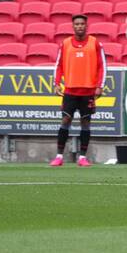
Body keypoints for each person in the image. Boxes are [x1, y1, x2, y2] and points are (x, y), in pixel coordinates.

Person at [51, 13, 106, 166]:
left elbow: (102, 66)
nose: (79, 26)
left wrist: (99, 86)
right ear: (73, 26)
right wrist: (56, 83)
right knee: (65, 120)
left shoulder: (95, 43)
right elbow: (59, 65)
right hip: (70, 90)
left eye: (82, 24)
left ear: (86, 26)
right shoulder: (66, 43)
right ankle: (59, 157)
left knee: (85, 122)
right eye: (77, 24)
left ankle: (82, 157)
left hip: (88, 91)